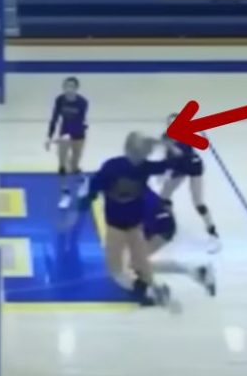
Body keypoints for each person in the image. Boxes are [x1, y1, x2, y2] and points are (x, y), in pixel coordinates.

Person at [74, 131, 174, 306]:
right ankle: (145, 288)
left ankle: (148, 289)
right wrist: (168, 147)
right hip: (120, 226)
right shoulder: (114, 168)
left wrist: (168, 147)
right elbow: (93, 189)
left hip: (132, 225)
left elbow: (169, 165)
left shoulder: (139, 167)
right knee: (123, 266)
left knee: (133, 264)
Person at [159, 112, 220, 253]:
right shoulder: (165, 137)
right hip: (179, 168)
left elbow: (178, 155)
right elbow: (168, 156)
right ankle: (170, 227)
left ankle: (212, 232)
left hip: (193, 168)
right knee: (163, 197)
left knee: (198, 202)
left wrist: (168, 170)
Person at [46, 77, 87, 199]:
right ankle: (65, 192)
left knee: (74, 166)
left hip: (78, 134)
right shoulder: (60, 100)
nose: (69, 89)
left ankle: (83, 180)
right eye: (66, 86)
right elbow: (54, 118)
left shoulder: (82, 102)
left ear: (76, 88)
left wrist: (68, 135)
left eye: (72, 87)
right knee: (62, 164)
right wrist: (49, 136)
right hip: (64, 133)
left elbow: (79, 121)